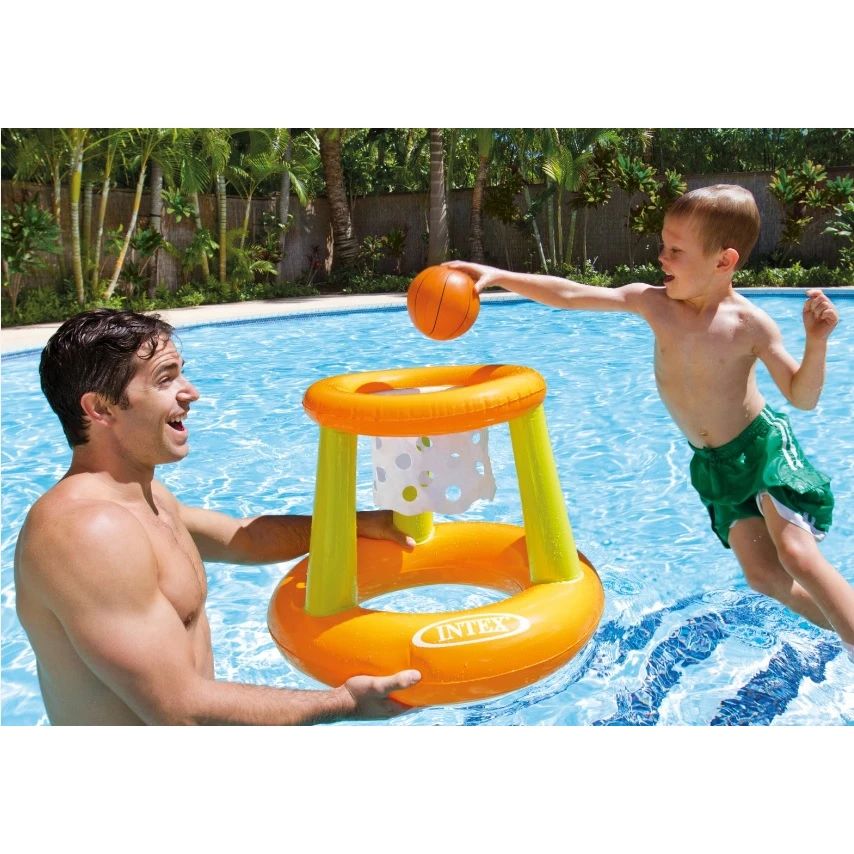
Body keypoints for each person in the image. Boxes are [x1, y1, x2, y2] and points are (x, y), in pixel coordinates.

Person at [446, 183, 854, 663]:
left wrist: (817, 342)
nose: (661, 257)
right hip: (715, 465)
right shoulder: (654, 304)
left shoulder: (750, 325)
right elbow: (572, 295)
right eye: (663, 245)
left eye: (676, 250)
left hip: (762, 450)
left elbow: (802, 398)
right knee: (764, 577)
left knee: (796, 556)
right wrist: (499, 276)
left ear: (724, 261)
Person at [14, 308, 422, 725]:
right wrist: (346, 703)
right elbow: (178, 709)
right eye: (165, 379)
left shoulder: (145, 496)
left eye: (181, 374)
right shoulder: (87, 532)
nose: (190, 393)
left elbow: (244, 539)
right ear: (101, 408)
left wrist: (357, 524)